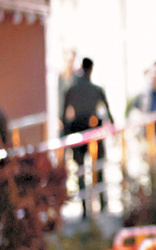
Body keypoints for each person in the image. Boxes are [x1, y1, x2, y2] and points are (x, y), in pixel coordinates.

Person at [62, 57, 114, 217]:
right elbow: (109, 115)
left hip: (81, 130)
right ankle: (100, 204)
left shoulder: (72, 89)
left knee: (82, 170)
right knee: (96, 167)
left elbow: (63, 115)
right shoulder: (94, 90)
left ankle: (88, 207)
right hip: (90, 130)